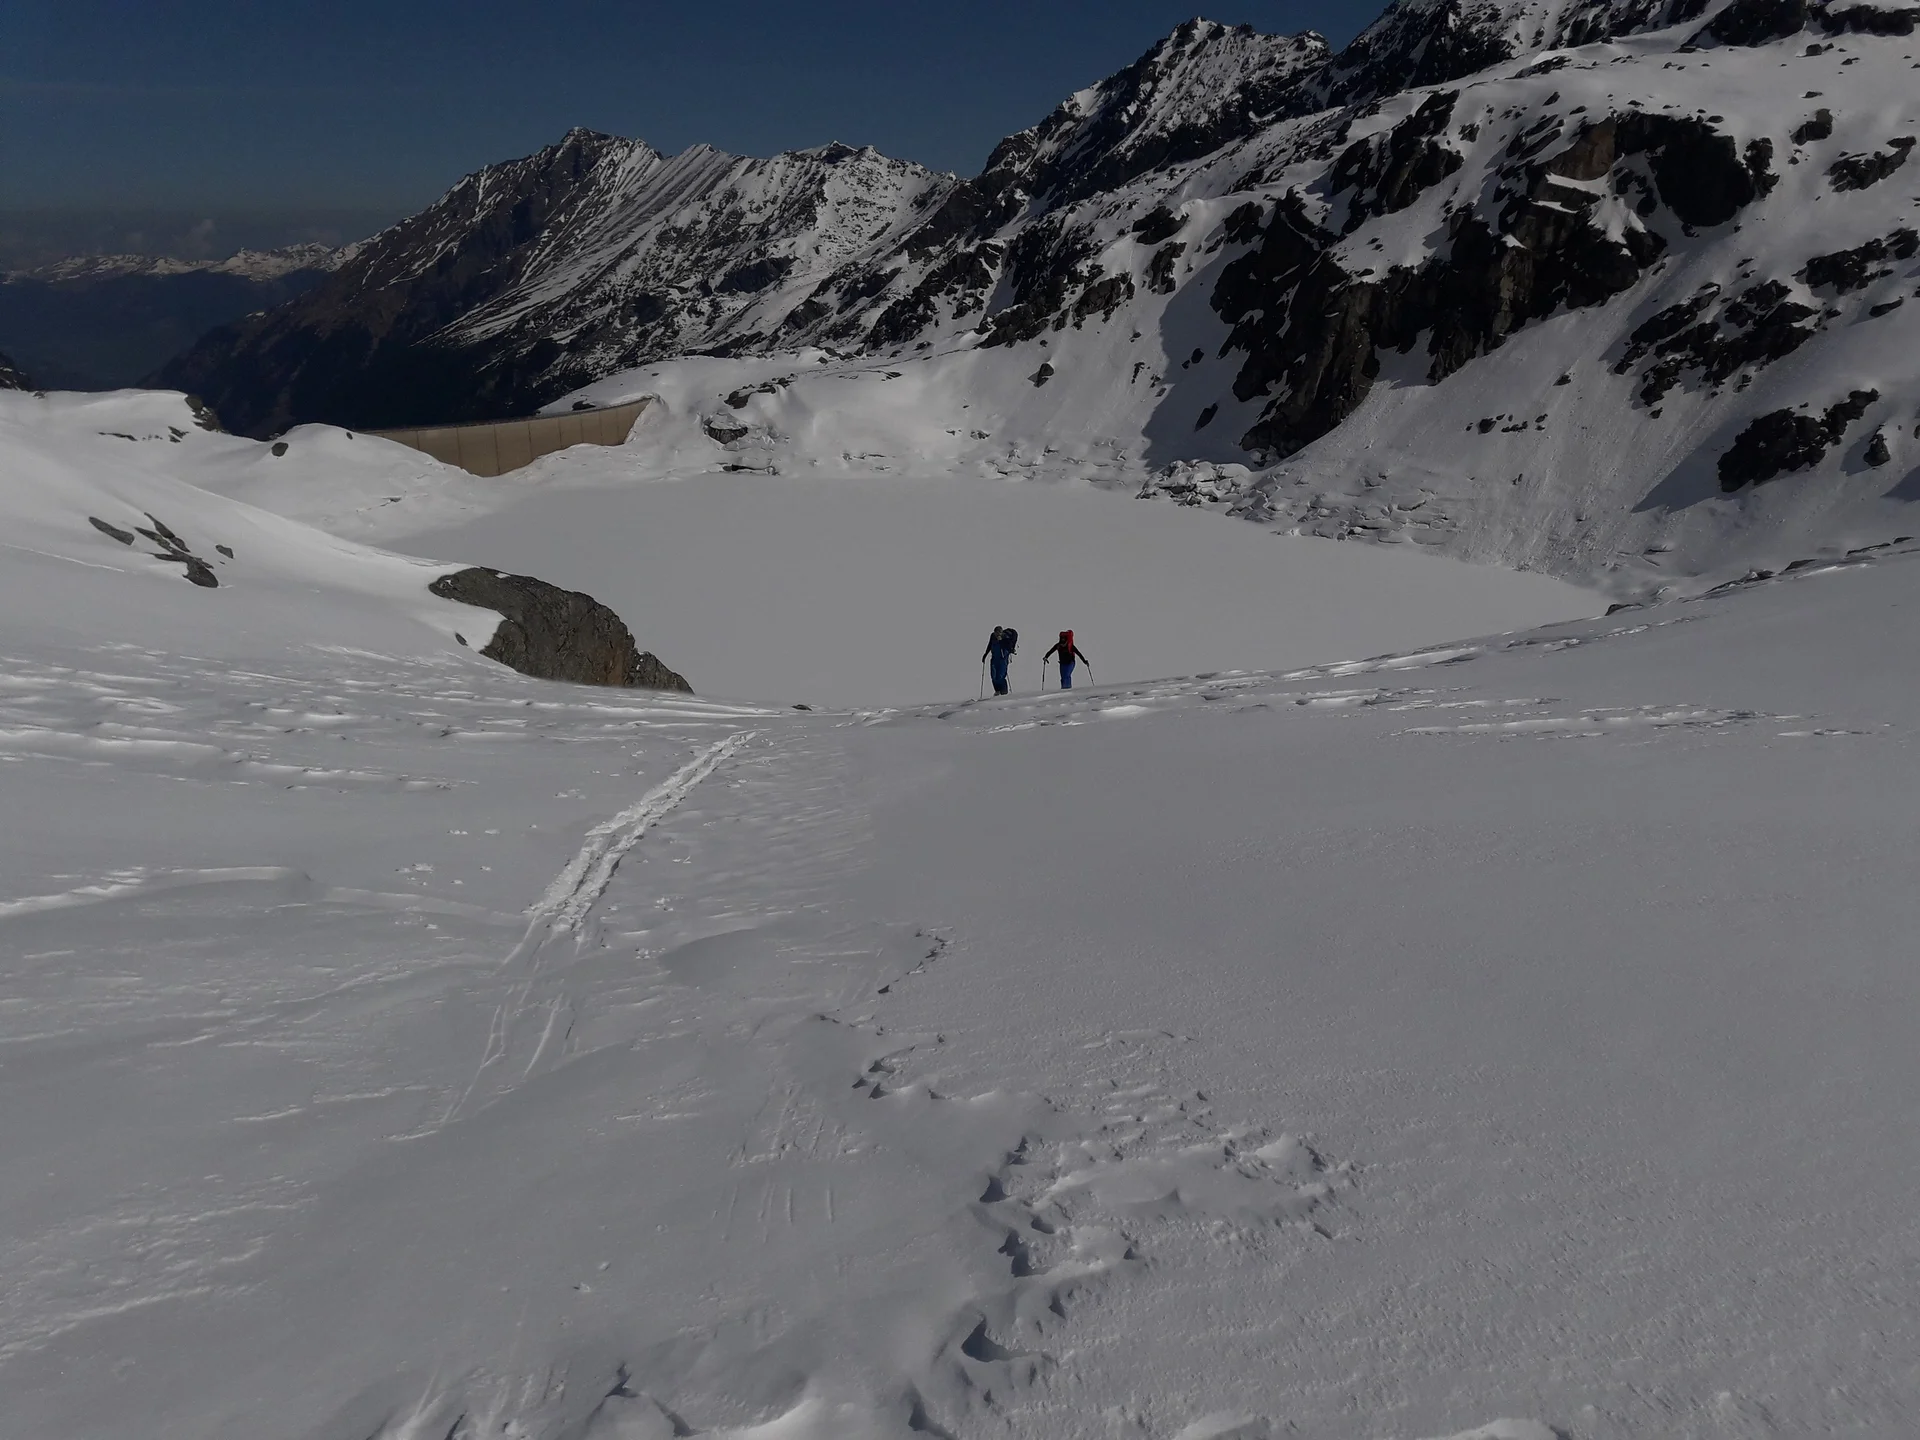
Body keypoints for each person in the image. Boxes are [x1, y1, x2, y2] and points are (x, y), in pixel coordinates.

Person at [982, 626, 1017, 696]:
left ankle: (1004, 692)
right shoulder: (992, 636)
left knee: (1000, 676)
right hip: (994, 658)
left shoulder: (1006, 637)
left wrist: (1002, 641)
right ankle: (997, 691)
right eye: (996, 633)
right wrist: (985, 654)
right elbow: (990, 645)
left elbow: (1009, 647)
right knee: (993, 676)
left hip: (1003, 659)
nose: (997, 634)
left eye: (998, 633)